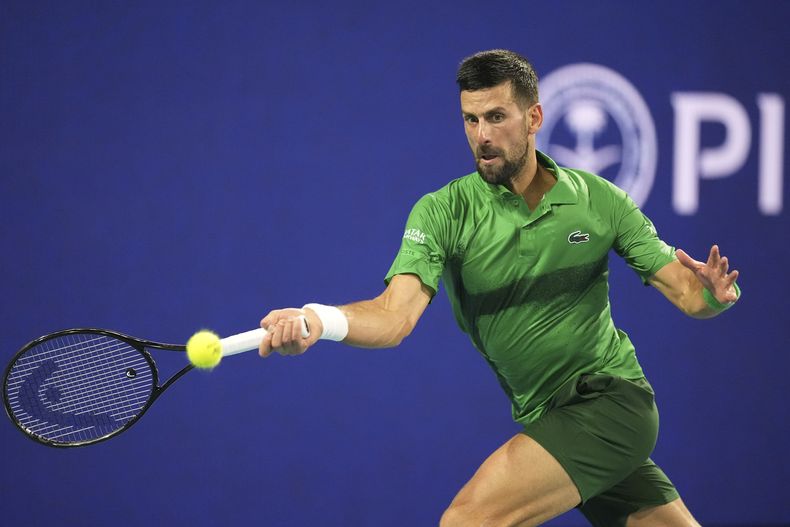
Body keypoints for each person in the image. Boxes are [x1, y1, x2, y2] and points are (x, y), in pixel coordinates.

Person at [257, 49, 741, 527]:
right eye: (470, 120)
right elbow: (393, 317)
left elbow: (686, 292)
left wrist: (712, 296)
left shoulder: (600, 201)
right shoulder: (443, 211)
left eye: (495, 117)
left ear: (534, 118)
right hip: (551, 417)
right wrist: (318, 319)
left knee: (469, 522)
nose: (482, 137)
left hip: (611, 402)